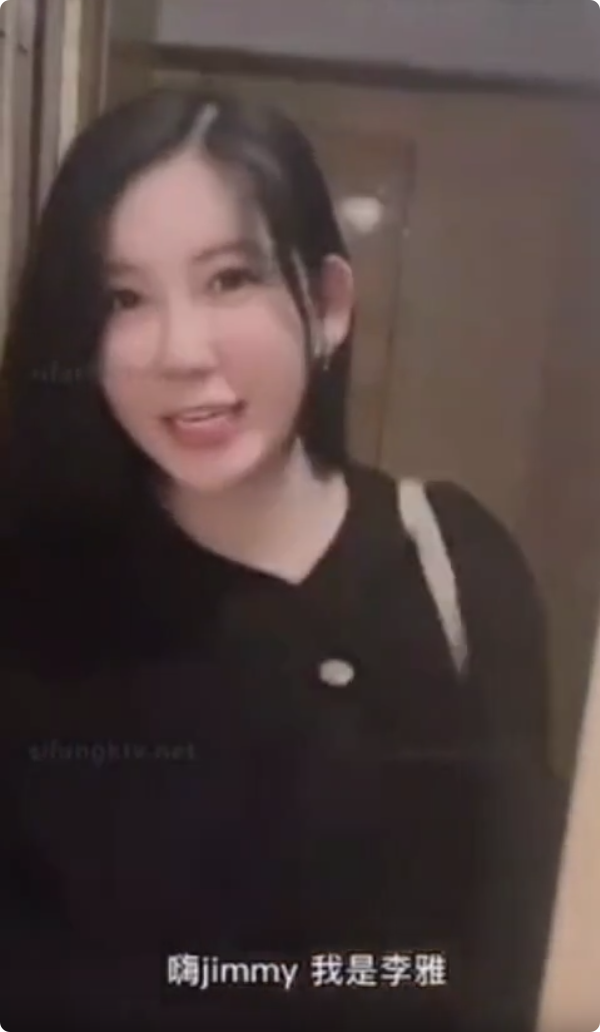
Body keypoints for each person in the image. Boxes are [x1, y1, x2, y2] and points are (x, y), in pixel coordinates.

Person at [0, 88, 564, 1031]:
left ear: (328, 305)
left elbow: (512, 945)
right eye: (123, 298)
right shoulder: (33, 601)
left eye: (229, 279)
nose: (181, 351)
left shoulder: (457, 565)